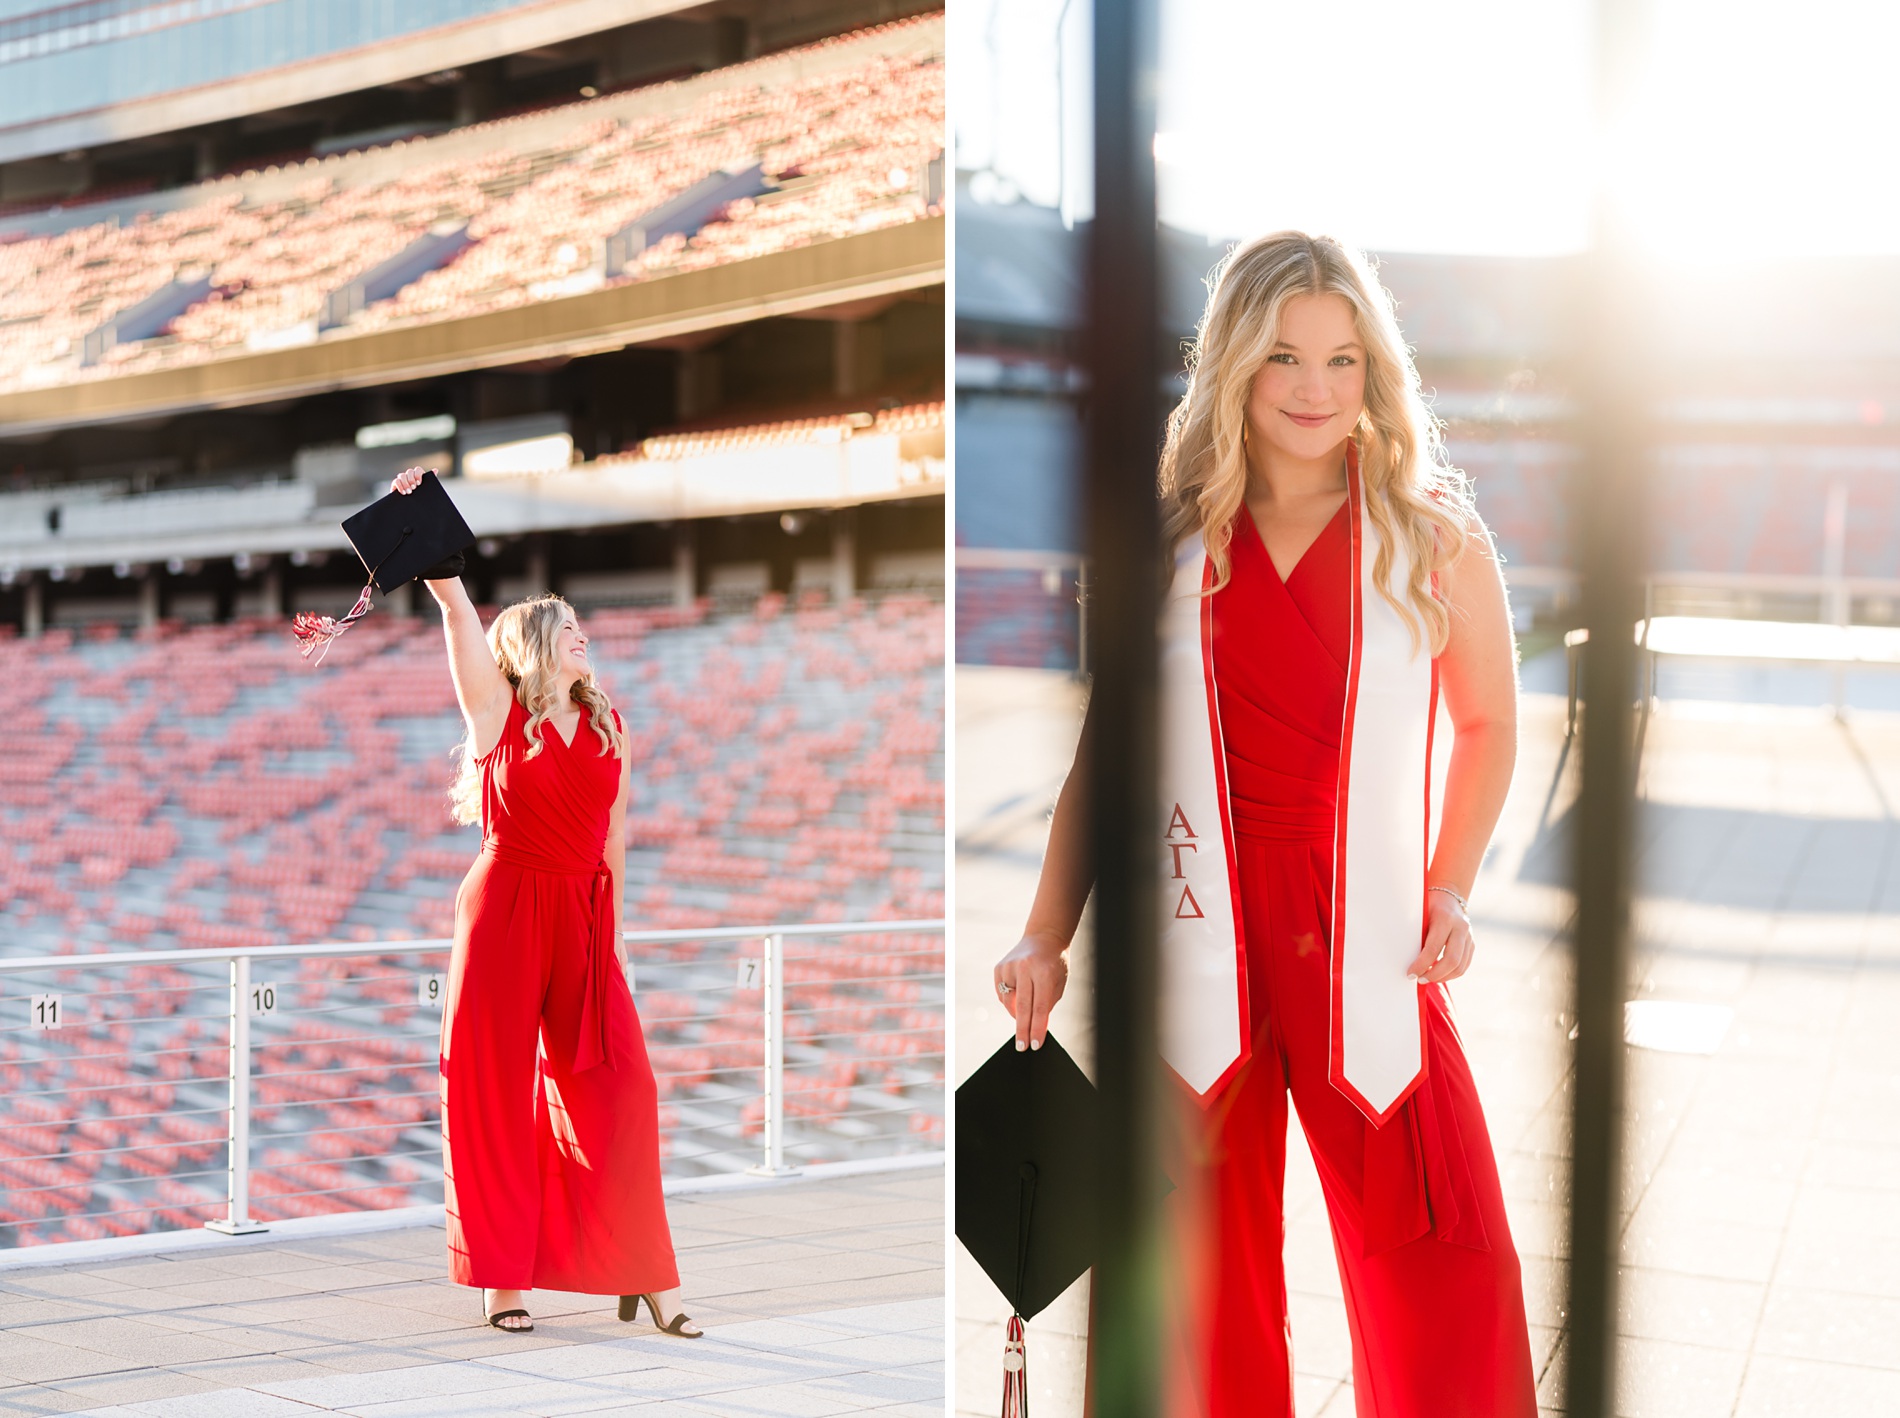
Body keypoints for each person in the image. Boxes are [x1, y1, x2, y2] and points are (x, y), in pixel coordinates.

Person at [992, 234, 1537, 1416]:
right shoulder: (1168, 543)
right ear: (1235, 360)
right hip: (1201, 931)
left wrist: (1449, 887)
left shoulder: (1434, 538)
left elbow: (1489, 723)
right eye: (1285, 355)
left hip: (1367, 939)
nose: (1314, 387)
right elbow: (1110, 749)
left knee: (1448, 1265)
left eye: (1344, 360)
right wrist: (1044, 931)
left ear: (1375, 373)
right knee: (1190, 1292)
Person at [395, 466, 700, 1338]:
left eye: (583, 631)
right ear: (531, 642)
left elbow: (617, 837)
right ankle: (505, 1283)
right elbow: (457, 613)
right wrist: (423, 521)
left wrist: (617, 939)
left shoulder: (612, 727)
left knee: (624, 1091)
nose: (584, 640)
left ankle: (650, 1275)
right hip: (503, 907)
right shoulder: (496, 715)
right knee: (492, 1093)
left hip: (584, 913)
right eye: (567, 629)